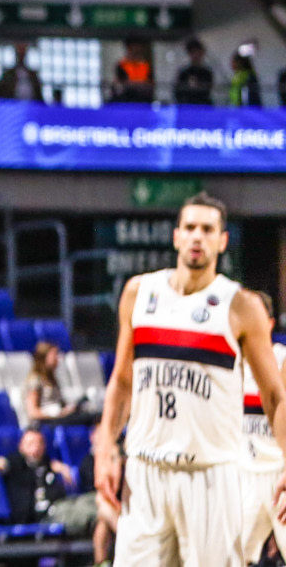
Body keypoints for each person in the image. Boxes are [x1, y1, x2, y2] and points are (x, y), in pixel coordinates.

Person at [95, 195, 286, 567]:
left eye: (208, 229)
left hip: (210, 476)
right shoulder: (139, 292)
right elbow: (121, 381)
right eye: (191, 228)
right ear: (176, 236)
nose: (198, 237)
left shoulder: (241, 306)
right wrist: (106, 449)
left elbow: (275, 397)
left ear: (222, 241)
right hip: (145, 472)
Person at [0, 427, 98, 537]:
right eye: (30, 443)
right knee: (94, 511)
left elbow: (55, 467)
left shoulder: (47, 463)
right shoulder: (15, 461)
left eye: (39, 443)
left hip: (63, 506)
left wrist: (63, 470)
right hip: (44, 516)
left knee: (95, 501)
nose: (35, 448)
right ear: (21, 446)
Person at [239, 291, 285, 565]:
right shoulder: (232, 364)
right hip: (246, 475)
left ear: (266, 323)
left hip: (280, 476)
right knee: (228, 557)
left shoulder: (282, 359)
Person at [26, 339, 93, 423]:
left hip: (59, 418)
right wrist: (56, 414)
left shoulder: (52, 379)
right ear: (44, 357)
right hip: (47, 422)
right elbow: (33, 412)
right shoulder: (35, 380)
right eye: (54, 355)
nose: (58, 359)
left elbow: (60, 403)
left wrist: (69, 409)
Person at [111, 38, 155, 104]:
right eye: (134, 46)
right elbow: (119, 85)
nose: (137, 49)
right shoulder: (122, 65)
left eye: (138, 46)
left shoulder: (145, 65)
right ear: (128, 48)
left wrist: (140, 85)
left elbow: (150, 84)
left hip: (143, 100)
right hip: (126, 100)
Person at [173, 39, 215, 106]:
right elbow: (178, 92)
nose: (195, 55)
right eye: (193, 52)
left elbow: (207, 90)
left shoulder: (207, 73)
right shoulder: (184, 73)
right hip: (188, 107)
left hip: (203, 107)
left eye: (198, 52)